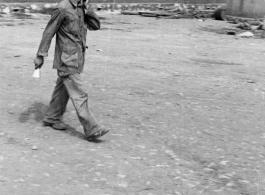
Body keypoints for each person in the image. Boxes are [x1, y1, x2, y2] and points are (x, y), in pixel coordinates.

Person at [34, 0, 109, 141]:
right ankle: (92, 129)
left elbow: (95, 26)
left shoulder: (82, 7)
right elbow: (48, 32)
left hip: (77, 58)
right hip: (67, 60)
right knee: (79, 93)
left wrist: (88, 10)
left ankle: (52, 117)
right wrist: (40, 55)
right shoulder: (63, 8)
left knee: (63, 88)